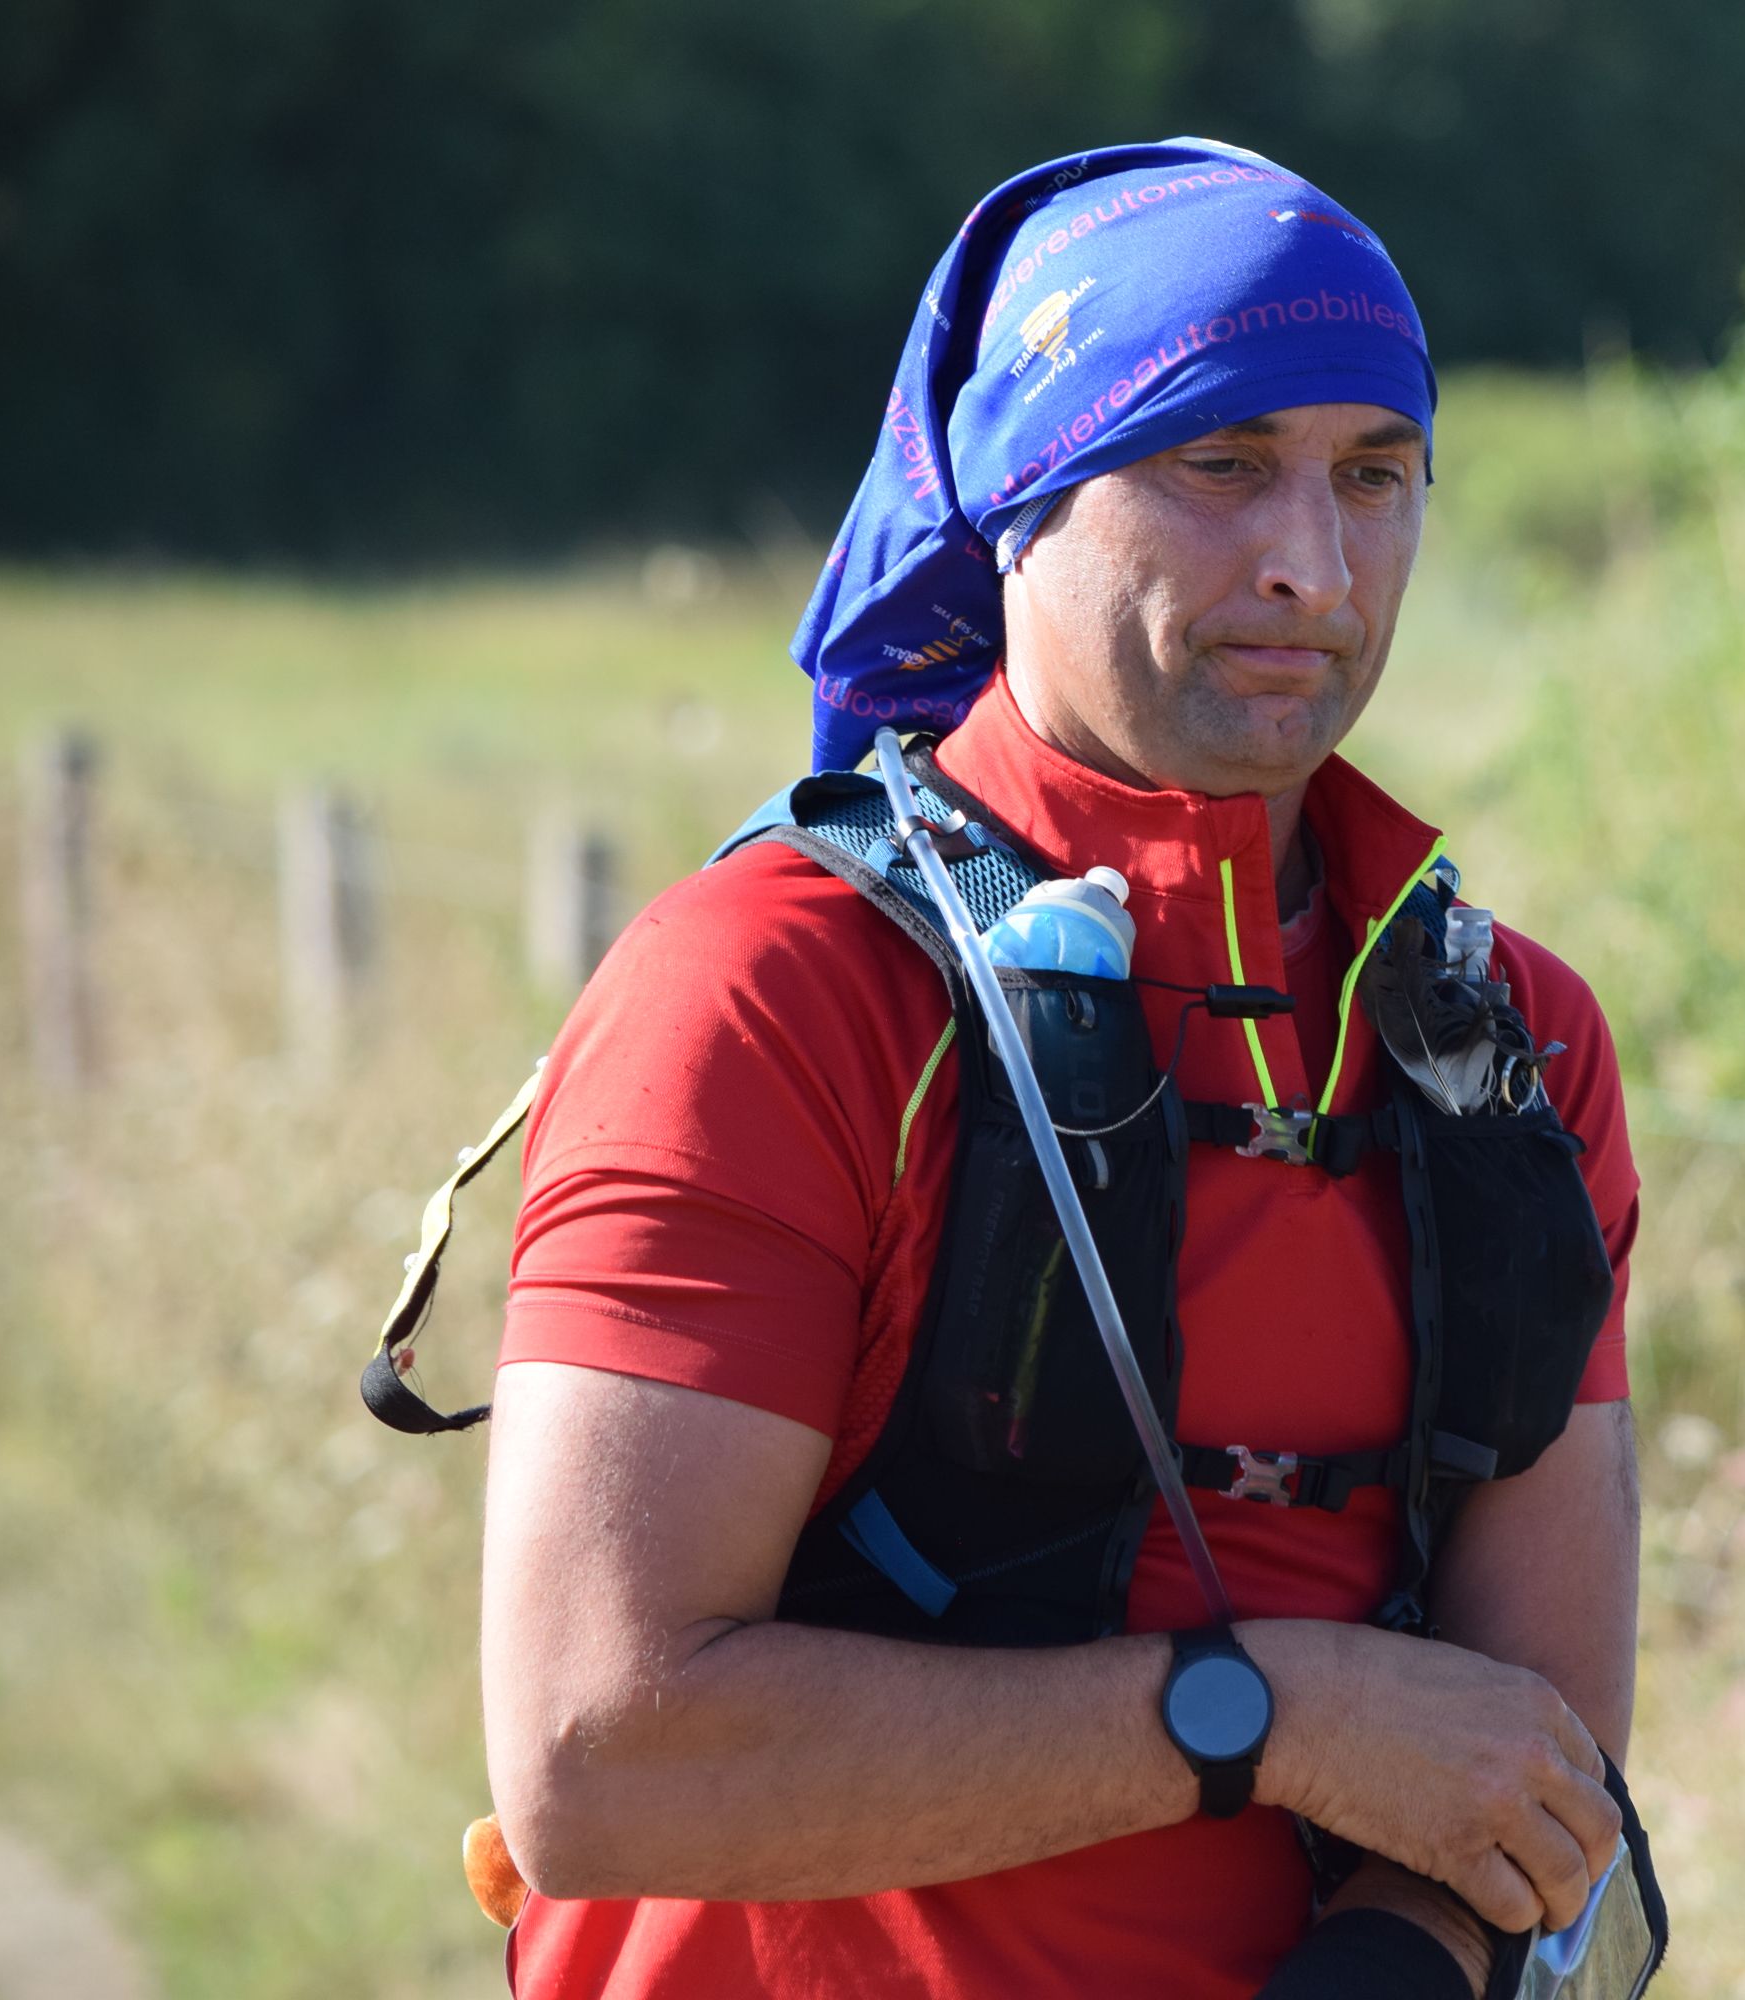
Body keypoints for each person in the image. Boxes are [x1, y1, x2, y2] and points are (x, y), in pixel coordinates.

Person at [479, 138, 1647, 1999]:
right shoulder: (773, 992)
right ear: (1021, 495)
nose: (1314, 563)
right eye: (1222, 463)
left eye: (1374, 474)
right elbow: (598, 1758)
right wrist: (1266, 1714)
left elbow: (1538, 1756)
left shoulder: (1503, 1041)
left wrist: (1410, 1951)